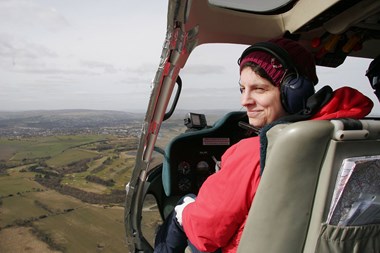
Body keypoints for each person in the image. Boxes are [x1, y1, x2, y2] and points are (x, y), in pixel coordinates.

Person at [154, 38, 374, 253]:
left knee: (183, 206)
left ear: (293, 94)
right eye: (242, 89)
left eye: (259, 89)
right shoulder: (351, 138)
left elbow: (206, 234)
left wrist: (185, 211)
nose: (245, 101)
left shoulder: (258, 151)